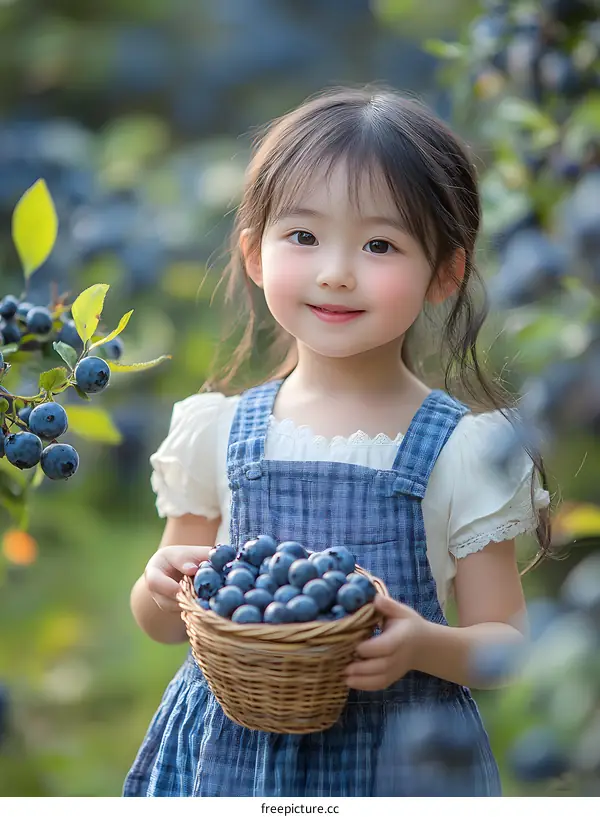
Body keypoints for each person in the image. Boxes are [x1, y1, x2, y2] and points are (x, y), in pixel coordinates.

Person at [123, 86, 553, 797]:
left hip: (397, 764)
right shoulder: (216, 431)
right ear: (255, 254)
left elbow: (507, 645)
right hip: (230, 759)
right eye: (303, 236)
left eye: (380, 244)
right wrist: (157, 581)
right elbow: (167, 625)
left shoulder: (463, 450)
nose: (335, 271)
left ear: (445, 272)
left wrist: (424, 644)